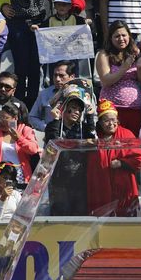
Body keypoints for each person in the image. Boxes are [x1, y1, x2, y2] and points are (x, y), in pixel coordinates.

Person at [86, 99, 141, 217]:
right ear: (100, 123)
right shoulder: (94, 138)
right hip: (101, 189)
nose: (111, 123)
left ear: (118, 120)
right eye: (106, 120)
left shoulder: (127, 134)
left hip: (124, 189)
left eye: (113, 120)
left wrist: (122, 163)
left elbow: (138, 159)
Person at [44, 87, 94, 216]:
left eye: (79, 109)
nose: (76, 111)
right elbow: (53, 142)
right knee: (61, 214)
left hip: (80, 179)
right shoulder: (53, 126)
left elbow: (92, 141)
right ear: (64, 109)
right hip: (59, 180)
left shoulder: (82, 128)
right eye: (73, 108)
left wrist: (90, 118)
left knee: (80, 214)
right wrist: (55, 119)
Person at [96, 21, 141, 134]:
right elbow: (105, 81)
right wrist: (124, 68)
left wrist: (140, 68)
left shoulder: (135, 52)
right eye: (117, 36)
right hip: (112, 110)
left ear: (129, 36)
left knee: (133, 144)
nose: (121, 39)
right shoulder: (103, 54)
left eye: (124, 35)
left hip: (134, 109)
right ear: (110, 38)